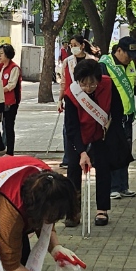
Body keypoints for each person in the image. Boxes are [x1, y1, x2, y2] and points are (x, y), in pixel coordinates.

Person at [64, 57, 123, 227]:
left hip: (101, 134)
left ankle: (102, 209)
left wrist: (111, 131)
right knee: (74, 170)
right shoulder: (72, 94)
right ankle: (73, 211)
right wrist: (82, 152)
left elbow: (117, 111)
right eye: (84, 84)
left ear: (99, 79)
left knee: (103, 169)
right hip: (78, 135)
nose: (88, 88)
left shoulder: (108, 85)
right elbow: (71, 127)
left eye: (92, 84)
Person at [100, 37, 136, 200]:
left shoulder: (130, 64)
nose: (130, 58)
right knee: (112, 152)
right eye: (128, 54)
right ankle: (112, 187)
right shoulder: (105, 65)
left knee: (125, 152)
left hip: (127, 116)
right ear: (118, 50)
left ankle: (124, 186)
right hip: (111, 117)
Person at [57, 38, 91, 171]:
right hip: (71, 98)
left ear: (82, 45)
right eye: (71, 46)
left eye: (75, 45)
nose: (73, 48)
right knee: (68, 128)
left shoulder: (92, 60)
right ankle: (68, 157)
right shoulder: (68, 61)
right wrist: (60, 99)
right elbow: (63, 82)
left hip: (88, 99)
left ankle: (87, 152)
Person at [0, 44, 22, 156]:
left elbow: (11, 85)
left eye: (2, 54)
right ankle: (0, 147)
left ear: (8, 54)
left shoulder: (14, 68)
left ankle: (10, 152)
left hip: (10, 101)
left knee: (8, 126)